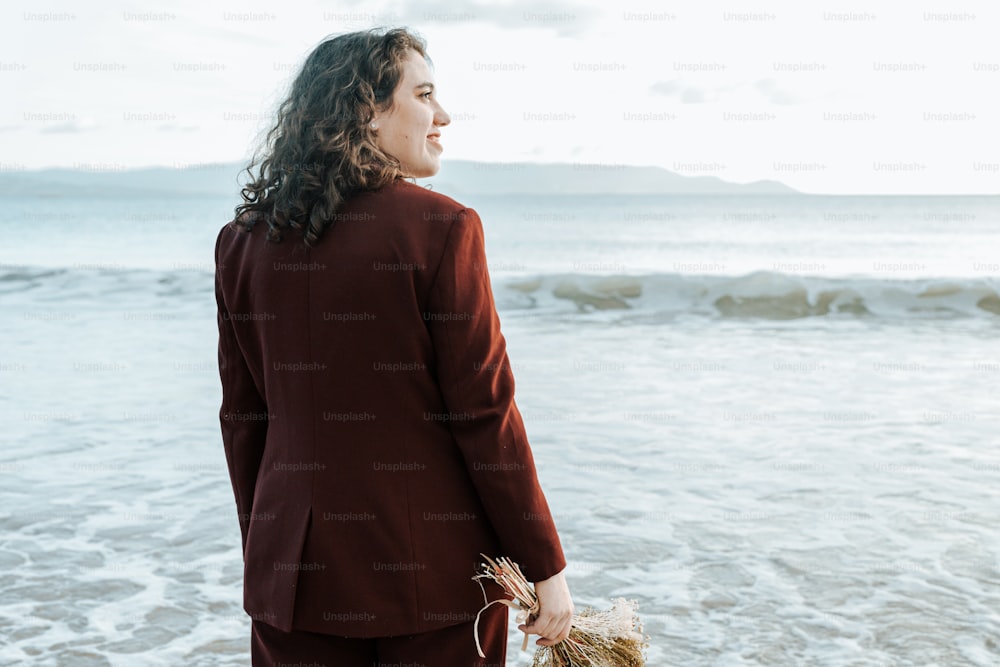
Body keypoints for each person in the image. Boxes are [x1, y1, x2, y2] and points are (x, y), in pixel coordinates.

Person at [214, 27, 573, 666]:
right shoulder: (443, 229)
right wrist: (544, 564)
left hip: (291, 579)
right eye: (425, 94)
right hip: (432, 580)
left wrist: (265, 553)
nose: (443, 116)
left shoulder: (241, 243)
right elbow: (484, 412)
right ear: (366, 109)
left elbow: (244, 420)